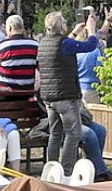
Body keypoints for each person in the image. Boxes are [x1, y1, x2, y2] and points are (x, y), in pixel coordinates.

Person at [38, 11, 106, 175]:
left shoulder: (43, 42)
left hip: (48, 96)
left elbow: (62, 46)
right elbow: (89, 46)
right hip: (66, 96)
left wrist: (75, 32)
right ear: (61, 26)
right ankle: (66, 171)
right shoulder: (64, 43)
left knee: (55, 134)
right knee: (73, 134)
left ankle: (50, 170)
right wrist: (91, 30)